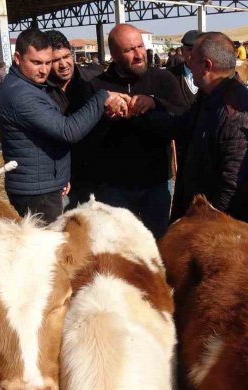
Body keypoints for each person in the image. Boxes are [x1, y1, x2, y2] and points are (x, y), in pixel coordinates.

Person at [0, 28, 129, 223]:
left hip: (49, 182)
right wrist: (103, 97)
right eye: (36, 62)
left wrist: (60, 175)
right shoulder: (22, 94)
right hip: (37, 191)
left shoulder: (30, 85)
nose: (43, 70)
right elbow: (68, 131)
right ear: (17, 58)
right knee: (52, 247)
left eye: (47, 62)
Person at [90, 24, 186, 239]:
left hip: (156, 183)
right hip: (114, 187)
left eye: (140, 46)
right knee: (120, 246)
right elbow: (85, 135)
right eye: (129, 50)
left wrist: (155, 103)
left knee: (159, 242)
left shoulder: (163, 80)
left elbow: (181, 121)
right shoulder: (97, 87)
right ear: (114, 55)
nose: (138, 54)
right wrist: (104, 112)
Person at [166, 32, 248, 224]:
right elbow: (182, 125)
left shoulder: (234, 112)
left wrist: (201, 225)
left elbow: (232, 186)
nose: (188, 65)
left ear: (206, 66)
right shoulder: (209, 97)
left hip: (218, 231)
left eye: (192, 60)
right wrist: (152, 105)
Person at [42, 30, 104, 209]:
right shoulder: (41, 91)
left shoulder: (93, 80)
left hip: (96, 171)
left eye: (66, 56)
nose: (63, 64)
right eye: (55, 60)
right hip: (62, 178)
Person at [167, 30, 202, 109]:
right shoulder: (170, 76)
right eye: (190, 49)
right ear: (182, 51)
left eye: (198, 49)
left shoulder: (213, 77)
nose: (194, 54)